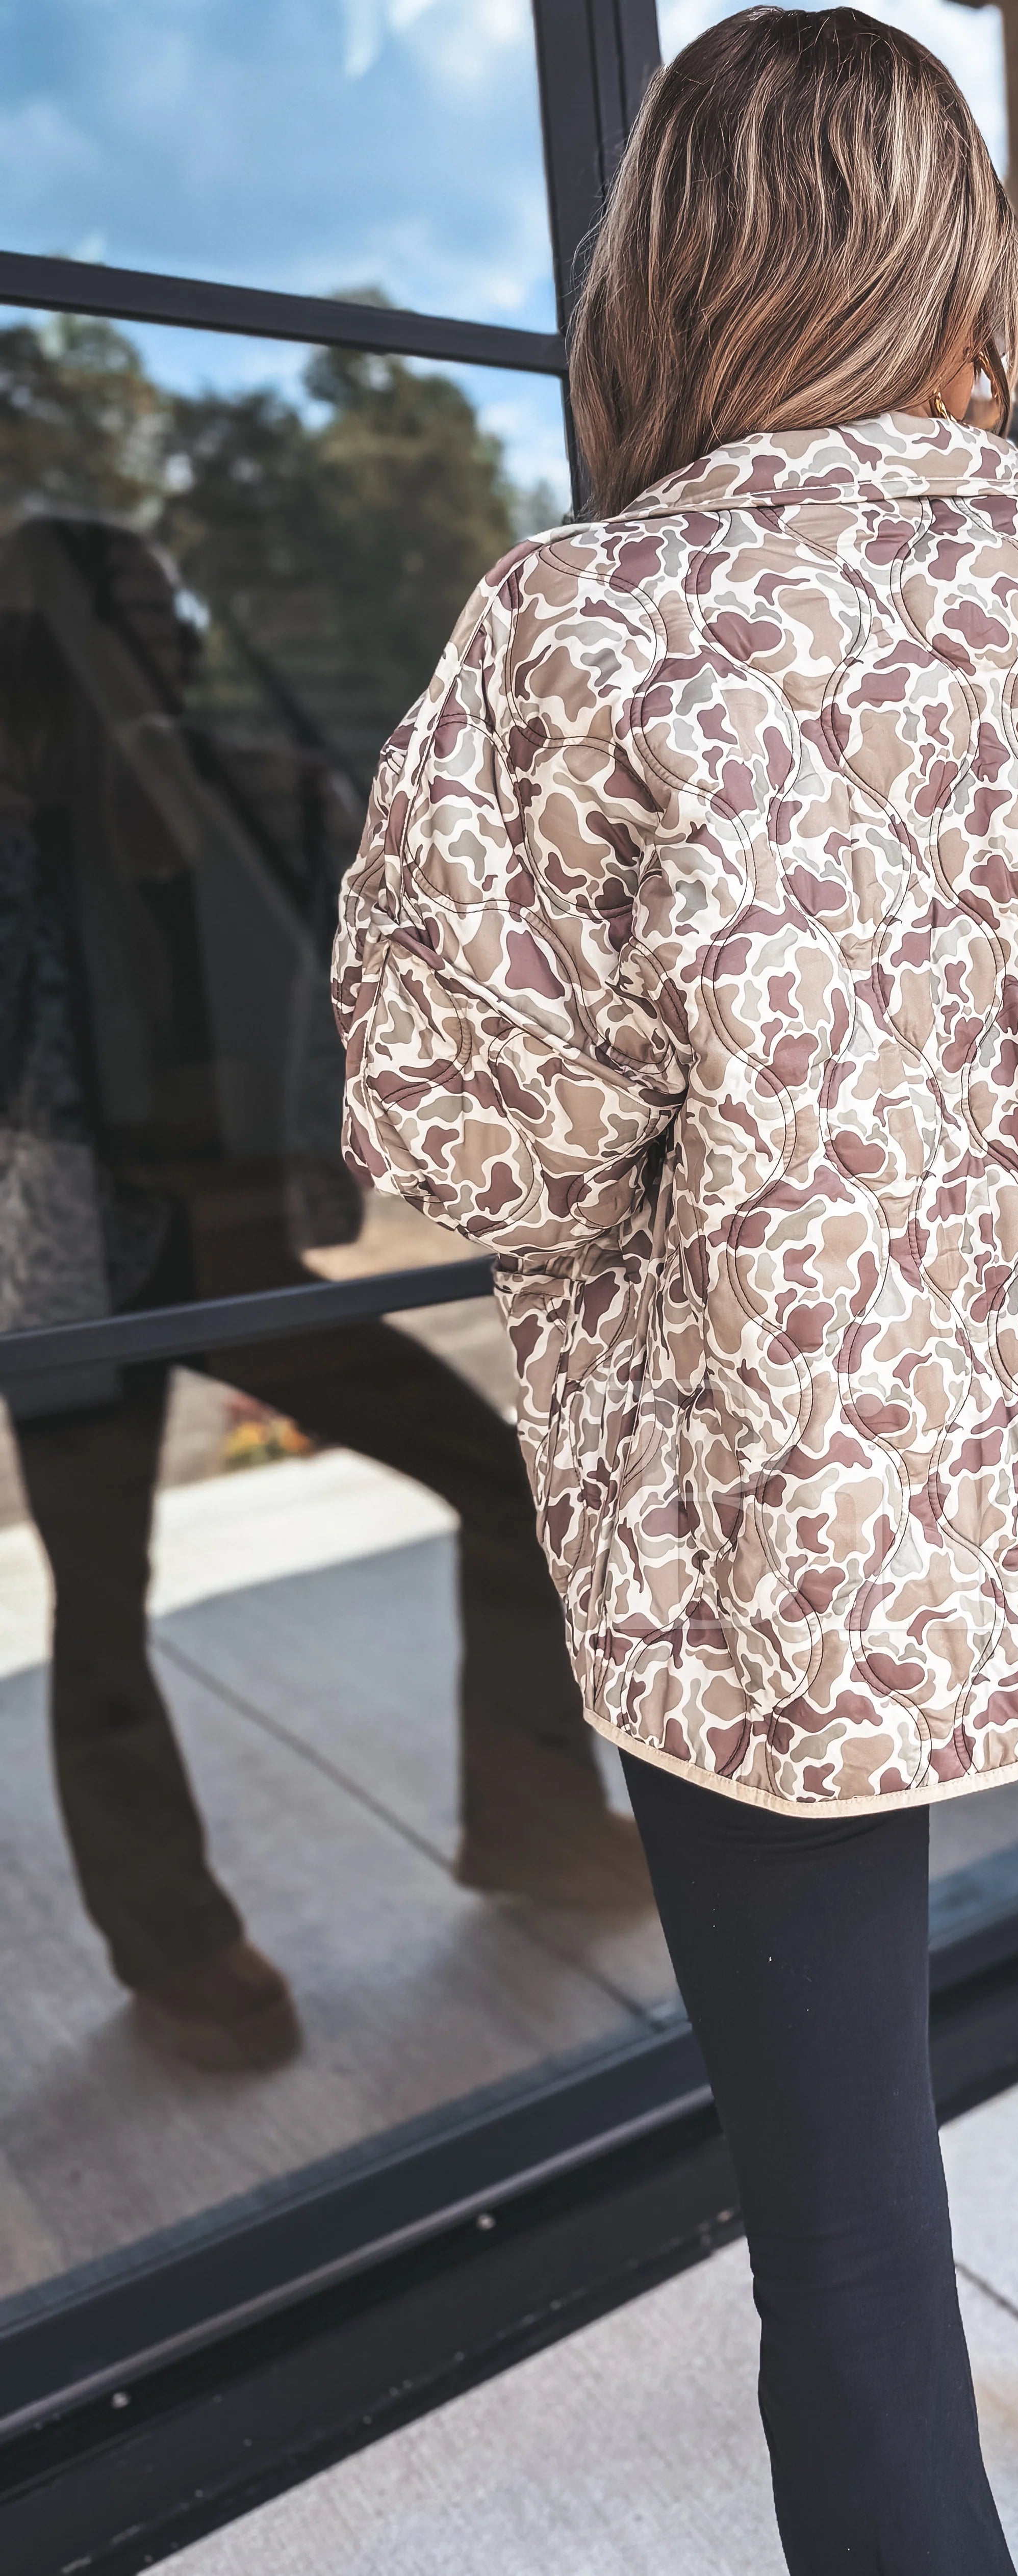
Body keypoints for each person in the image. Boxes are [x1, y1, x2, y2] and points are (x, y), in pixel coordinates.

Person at [332, 5, 1018, 2573]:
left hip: (768, 1569)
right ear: (967, 271)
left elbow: (464, 1132)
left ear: (670, 276)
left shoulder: (579, 637)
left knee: (842, 2221)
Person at [0, 519, 648, 2075]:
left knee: (508, 1482)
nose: (176, 632)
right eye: (138, 611)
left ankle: (533, 1820)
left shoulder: (242, 789)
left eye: (175, 605)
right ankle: (170, 1941)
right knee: (101, 1604)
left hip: (229, 1242)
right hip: (70, 1274)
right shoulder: (18, 825)